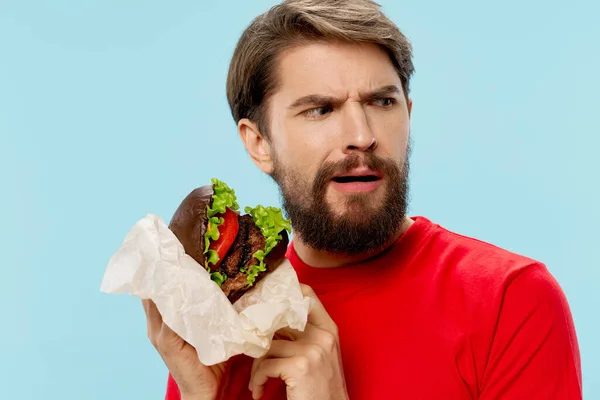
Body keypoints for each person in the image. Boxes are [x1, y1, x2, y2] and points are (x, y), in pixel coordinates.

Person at [141, 0, 583, 398]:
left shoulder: (512, 301)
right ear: (259, 143)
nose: (362, 136)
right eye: (321, 109)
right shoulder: (219, 324)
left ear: (408, 115)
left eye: (381, 102)